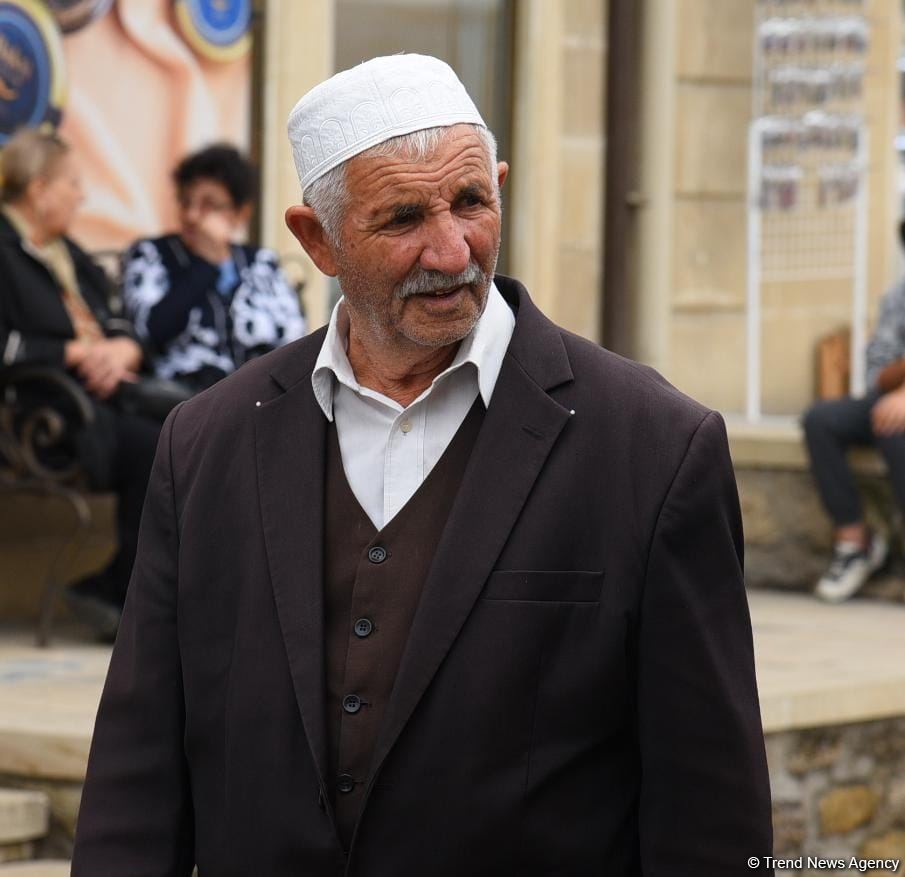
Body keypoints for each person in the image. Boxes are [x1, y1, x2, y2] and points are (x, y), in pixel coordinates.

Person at [72, 55, 773, 875]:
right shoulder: (206, 444)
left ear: (499, 186)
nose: (451, 251)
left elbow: (711, 812)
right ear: (316, 240)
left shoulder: (652, 450)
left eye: (471, 202)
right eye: (403, 217)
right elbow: (138, 769)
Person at [0, 127, 160, 638]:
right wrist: (71, 352)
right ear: (38, 187)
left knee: (204, 430)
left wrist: (122, 348)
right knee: (166, 449)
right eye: (72, 183)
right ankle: (122, 597)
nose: (81, 195)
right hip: (45, 414)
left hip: (107, 401)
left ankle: (120, 591)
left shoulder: (67, 251)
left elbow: (117, 319)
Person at [121, 143, 306, 392]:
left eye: (209, 204)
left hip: (259, 394)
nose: (192, 215)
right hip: (182, 395)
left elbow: (293, 336)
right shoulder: (152, 254)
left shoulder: (260, 262)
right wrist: (205, 264)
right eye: (185, 202)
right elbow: (148, 331)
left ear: (240, 214)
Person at [803, 222, 905, 602]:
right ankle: (854, 542)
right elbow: (878, 373)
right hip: (891, 400)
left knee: (894, 432)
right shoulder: (899, 297)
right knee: (822, 420)